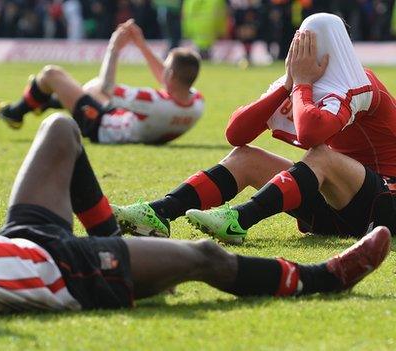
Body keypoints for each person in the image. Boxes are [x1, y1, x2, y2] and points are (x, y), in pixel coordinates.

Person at [0, 113, 391, 321]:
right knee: (205, 261)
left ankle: (115, 231)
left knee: (60, 131)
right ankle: (322, 279)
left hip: (27, 237)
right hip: (69, 274)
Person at [113, 13, 396, 242]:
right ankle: (158, 212)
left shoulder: (361, 85)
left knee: (321, 156)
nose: (305, 55)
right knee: (245, 157)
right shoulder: (302, 80)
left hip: (385, 204)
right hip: (339, 206)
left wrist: (303, 84)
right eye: (301, 47)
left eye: (310, 48)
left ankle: (239, 219)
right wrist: (288, 84)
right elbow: (236, 133)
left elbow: (311, 134)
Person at [0, 20, 205, 145]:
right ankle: (43, 102)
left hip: (100, 125)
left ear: (172, 75)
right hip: (126, 123)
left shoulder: (153, 101)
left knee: (51, 74)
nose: (162, 71)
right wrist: (140, 44)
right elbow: (170, 80)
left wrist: (114, 47)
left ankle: (16, 112)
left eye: (165, 68)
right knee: (87, 88)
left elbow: (107, 87)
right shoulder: (196, 103)